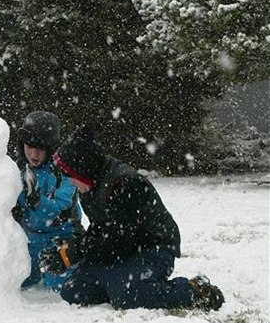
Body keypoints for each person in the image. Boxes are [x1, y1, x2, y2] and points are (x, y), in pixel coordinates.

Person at [41, 126, 224, 310]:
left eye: (71, 176)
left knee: (128, 296)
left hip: (152, 248)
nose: (70, 181)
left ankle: (193, 291)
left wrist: (73, 252)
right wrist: (67, 253)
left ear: (83, 169)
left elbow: (116, 236)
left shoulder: (124, 184)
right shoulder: (90, 186)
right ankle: (118, 284)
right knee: (74, 290)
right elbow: (100, 230)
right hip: (119, 250)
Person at [11, 111, 83, 290]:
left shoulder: (64, 172)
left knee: (62, 286)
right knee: (14, 279)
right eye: (29, 147)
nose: (34, 154)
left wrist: (37, 202)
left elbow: (61, 208)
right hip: (29, 240)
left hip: (61, 238)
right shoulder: (16, 170)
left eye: (40, 149)